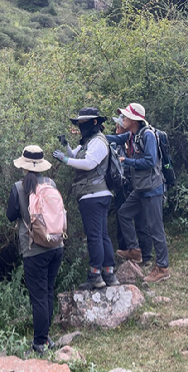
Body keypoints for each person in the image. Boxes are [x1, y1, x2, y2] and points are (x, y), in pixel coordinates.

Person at [52, 107, 119, 290]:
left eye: (83, 123)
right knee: (102, 235)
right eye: (80, 123)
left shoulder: (98, 142)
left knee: (94, 236)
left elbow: (88, 164)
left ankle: (95, 275)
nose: (81, 126)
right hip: (96, 195)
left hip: (93, 195)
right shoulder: (88, 142)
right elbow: (76, 156)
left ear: (95, 122)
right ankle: (109, 274)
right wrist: (66, 146)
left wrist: (64, 160)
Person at [6, 146, 64, 355]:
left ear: (24, 165)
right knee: (47, 292)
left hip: (34, 249)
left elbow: (11, 215)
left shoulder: (18, 187)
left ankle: (40, 343)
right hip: (56, 245)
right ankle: (45, 336)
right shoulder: (51, 183)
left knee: (38, 297)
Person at [106, 103, 170, 283]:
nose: (122, 119)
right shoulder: (133, 134)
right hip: (141, 188)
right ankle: (135, 251)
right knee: (124, 213)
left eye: (125, 117)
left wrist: (127, 161)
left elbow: (150, 161)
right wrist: (93, 137)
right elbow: (114, 139)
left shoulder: (148, 135)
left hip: (152, 189)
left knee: (155, 228)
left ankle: (163, 267)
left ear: (134, 120)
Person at [111, 115, 152, 267]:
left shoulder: (137, 137)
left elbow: (148, 160)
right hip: (128, 184)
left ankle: (144, 256)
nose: (116, 131)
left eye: (118, 127)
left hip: (135, 184)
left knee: (141, 220)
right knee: (125, 216)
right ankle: (130, 252)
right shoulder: (127, 139)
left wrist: (126, 162)